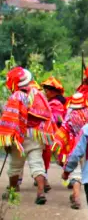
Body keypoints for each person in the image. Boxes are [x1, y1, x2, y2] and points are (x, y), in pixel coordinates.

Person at [0, 67, 55, 204]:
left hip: (20, 136)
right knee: (37, 164)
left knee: (15, 166)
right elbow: (47, 115)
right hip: (36, 134)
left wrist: (8, 141)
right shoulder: (38, 94)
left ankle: (12, 190)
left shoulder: (16, 96)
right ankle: (40, 192)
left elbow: (10, 120)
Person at [53, 92, 88, 210]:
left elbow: (64, 129)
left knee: (75, 173)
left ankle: (76, 197)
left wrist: (58, 145)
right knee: (86, 172)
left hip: (74, 146)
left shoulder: (70, 115)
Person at [40, 76, 66, 176]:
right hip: (55, 133)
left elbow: (54, 118)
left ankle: (73, 175)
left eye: (46, 91)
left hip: (55, 133)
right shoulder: (55, 101)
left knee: (57, 156)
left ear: (52, 92)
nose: (45, 93)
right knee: (56, 156)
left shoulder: (55, 103)